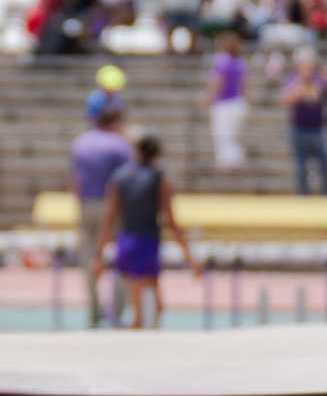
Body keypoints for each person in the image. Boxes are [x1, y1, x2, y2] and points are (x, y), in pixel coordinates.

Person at [98, 135, 200, 330]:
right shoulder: (159, 179)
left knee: (148, 308)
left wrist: (99, 253)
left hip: (126, 242)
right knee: (149, 311)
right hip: (145, 243)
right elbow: (171, 221)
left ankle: (138, 341)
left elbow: (110, 218)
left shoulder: (120, 177)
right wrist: (189, 256)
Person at [69, 103, 133, 326]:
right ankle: (116, 311)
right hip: (113, 207)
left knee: (88, 258)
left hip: (86, 205)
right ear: (115, 122)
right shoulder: (121, 145)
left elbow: (76, 180)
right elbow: (126, 180)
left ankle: (93, 308)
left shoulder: (81, 143)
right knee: (120, 258)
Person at [280, 46, 327, 196]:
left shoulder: (321, 80)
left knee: (325, 166)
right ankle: (303, 197)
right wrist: (301, 88)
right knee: (301, 168)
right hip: (299, 129)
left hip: (318, 129)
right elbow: (286, 101)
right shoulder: (293, 80)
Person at [203, 32, 249, 168]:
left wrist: (208, 99)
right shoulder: (240, 63)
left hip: (224, 104)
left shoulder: (222, 62)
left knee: (223, 137)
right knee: (233, 137)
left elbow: (218, 83)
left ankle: (227, 167)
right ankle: (234, 164)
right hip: (238, 103)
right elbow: (245, 86)